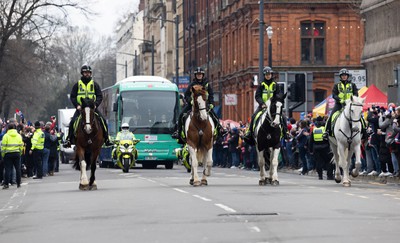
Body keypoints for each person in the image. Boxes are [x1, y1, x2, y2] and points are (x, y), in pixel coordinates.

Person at [171, 66, 226, 144]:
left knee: (215, 116)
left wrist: (211, 103)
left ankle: (220, 130)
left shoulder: (206, 84)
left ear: (202, 75)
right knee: (181, 115)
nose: (199, 76)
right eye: (197, 74)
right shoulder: (192, 85)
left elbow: (211, 94)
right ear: (195, 76)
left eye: (200, 74)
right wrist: (190, 101)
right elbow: (186, 95)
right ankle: (178, 133)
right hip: (193, 105)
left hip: (205, 105)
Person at [64, 64, 113, 147]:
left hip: (92, 108)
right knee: (72, 122)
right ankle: (69, 139)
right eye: (85, 72)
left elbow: (99, 96)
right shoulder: (77, 85)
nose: (87, 74)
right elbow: (73, 96)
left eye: (89, 72)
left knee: (103, 120)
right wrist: (77, 105)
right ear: (82, 73)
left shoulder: (95, 84)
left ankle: (107, 139)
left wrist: (96, 104)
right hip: (81, 108)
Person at [243, 66, 288, 145]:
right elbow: (257, 96)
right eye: (267, 74)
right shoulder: (261, 85)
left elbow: (279, 94)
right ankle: (249, 132)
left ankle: (286, 132)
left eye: (269, 74)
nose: (268, 76)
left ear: (271, 74)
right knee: (254, 116)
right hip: (263, 106)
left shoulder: (275, 85)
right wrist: (262, 104)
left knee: (283, 117)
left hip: (273, 107)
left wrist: (277, 100)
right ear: (264, 75)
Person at [324, 68, 360, 137]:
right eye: (342, 75)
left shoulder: (352, 85)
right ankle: (327, 131)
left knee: (359, 116)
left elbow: (356, 94)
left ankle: (365, 130)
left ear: (347, 76)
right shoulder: (336, 85)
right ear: (340, 76)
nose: (344, 76)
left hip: (350, 104)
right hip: (339, 104)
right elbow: (334, 95)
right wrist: (340, 100)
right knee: (331, 116)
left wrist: (351, 100)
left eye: (345, 75)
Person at [1, 123, 24, 189]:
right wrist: (20, 153)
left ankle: (6, 184)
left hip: (8, 154)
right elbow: (21, 146)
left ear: (8, 128)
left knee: (7, 169)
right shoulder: (18, 136)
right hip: (16, 153)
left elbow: (3, 147)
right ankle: (18, 183)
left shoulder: (6, 136)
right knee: (18, 169)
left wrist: (3, 155)